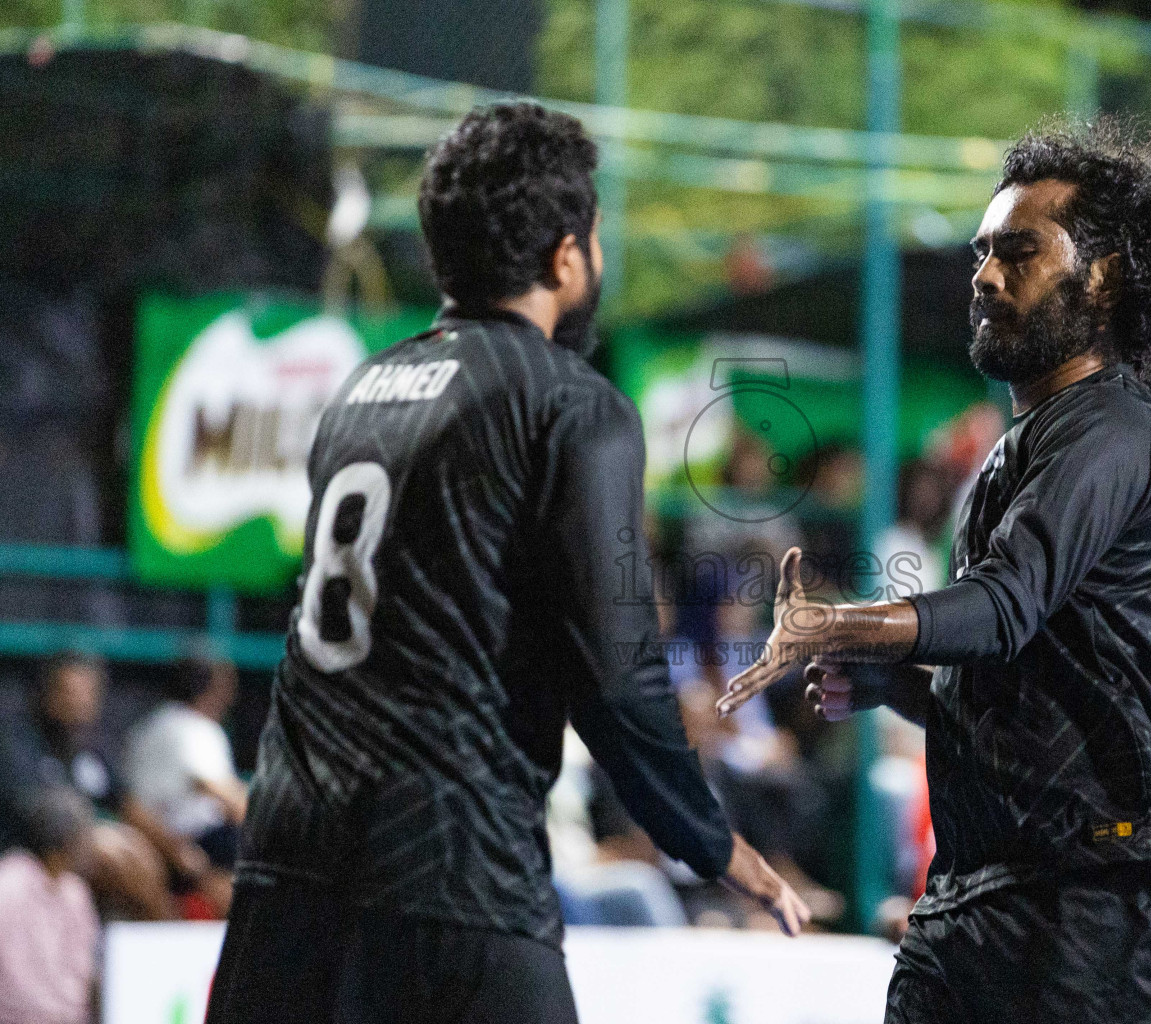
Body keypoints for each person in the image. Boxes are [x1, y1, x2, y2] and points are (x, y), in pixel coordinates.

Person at [206, 102, 807, 1024]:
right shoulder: (570, 405)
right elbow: (618, 671)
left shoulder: (362, 392)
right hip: (445, 868)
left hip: (284, 858)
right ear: (568, 257)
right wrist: (715, 841)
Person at [719, 115, 1151, 1023]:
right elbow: (1016, 688)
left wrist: (842, 621)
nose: (984, 277)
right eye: (981, 254)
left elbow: (1004, 605)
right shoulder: (1013, 457)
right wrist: (898, 683)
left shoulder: (1117, 429)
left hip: (1094, 901)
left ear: (1103, 275)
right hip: (975, 895)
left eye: (1019, 252)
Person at [0, 653, 203, 920]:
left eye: (86, 693)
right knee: (119, 861)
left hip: (87, 846)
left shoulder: (90, 748)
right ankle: (168, 942)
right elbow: (36, 814)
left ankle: (165, 941)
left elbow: (125, 802)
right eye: (68, 692)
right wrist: (96, 834)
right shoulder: (18, 740)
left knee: (150, 855)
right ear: (47, 693)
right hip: (32, 852)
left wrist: (174, 848)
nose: (77, 702)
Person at [124, 657, 247, 914]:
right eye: (225, 688)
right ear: (210, 689)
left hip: (157, 845)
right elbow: (231, 800)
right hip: (188, 849)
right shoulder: (193, 727)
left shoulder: (147, 727)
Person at [0, 787, 99, 1024]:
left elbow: (83, 970)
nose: (90, 847)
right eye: (83, 838)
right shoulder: (8, 886)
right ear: (64, 842)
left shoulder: (76, 892)